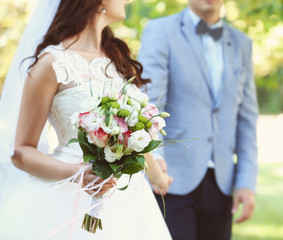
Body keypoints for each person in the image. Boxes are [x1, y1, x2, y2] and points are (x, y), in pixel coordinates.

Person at [0, 0, 172, 239]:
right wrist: (78, 173)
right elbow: (21, 152)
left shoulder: (118, 59)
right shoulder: (52, 63)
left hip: (127, 204)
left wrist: (159, 178)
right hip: (64, 197)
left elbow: (132, 137)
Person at [138, 0, 259, 239]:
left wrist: (246, 181)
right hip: (170, 178)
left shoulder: (242, 43)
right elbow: (149, 104)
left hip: (223, 182)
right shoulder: (160, 30)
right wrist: (156, 161)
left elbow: (247, 118)